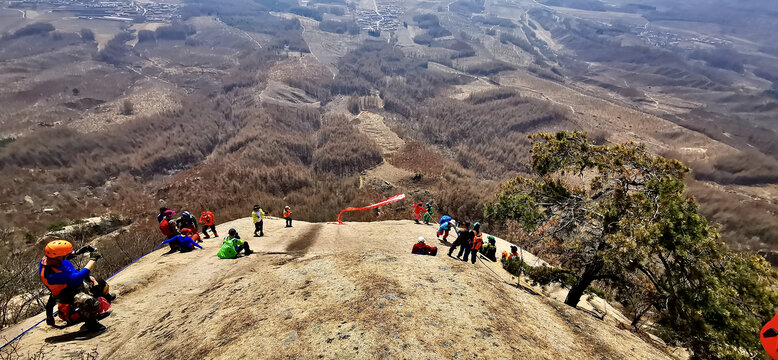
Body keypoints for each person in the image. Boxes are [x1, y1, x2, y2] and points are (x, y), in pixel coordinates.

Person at [40, 240, 114, 332]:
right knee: (90, 302)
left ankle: (106, 299)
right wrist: (93, 259)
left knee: (100, 282)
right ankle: (91, 324)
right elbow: (77, 277)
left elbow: (65, 257)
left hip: (74, 285)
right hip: (66, 294)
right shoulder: (50, 275)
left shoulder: (50, 259)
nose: (67, 255)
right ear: (59, 257)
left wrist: (77, 252)